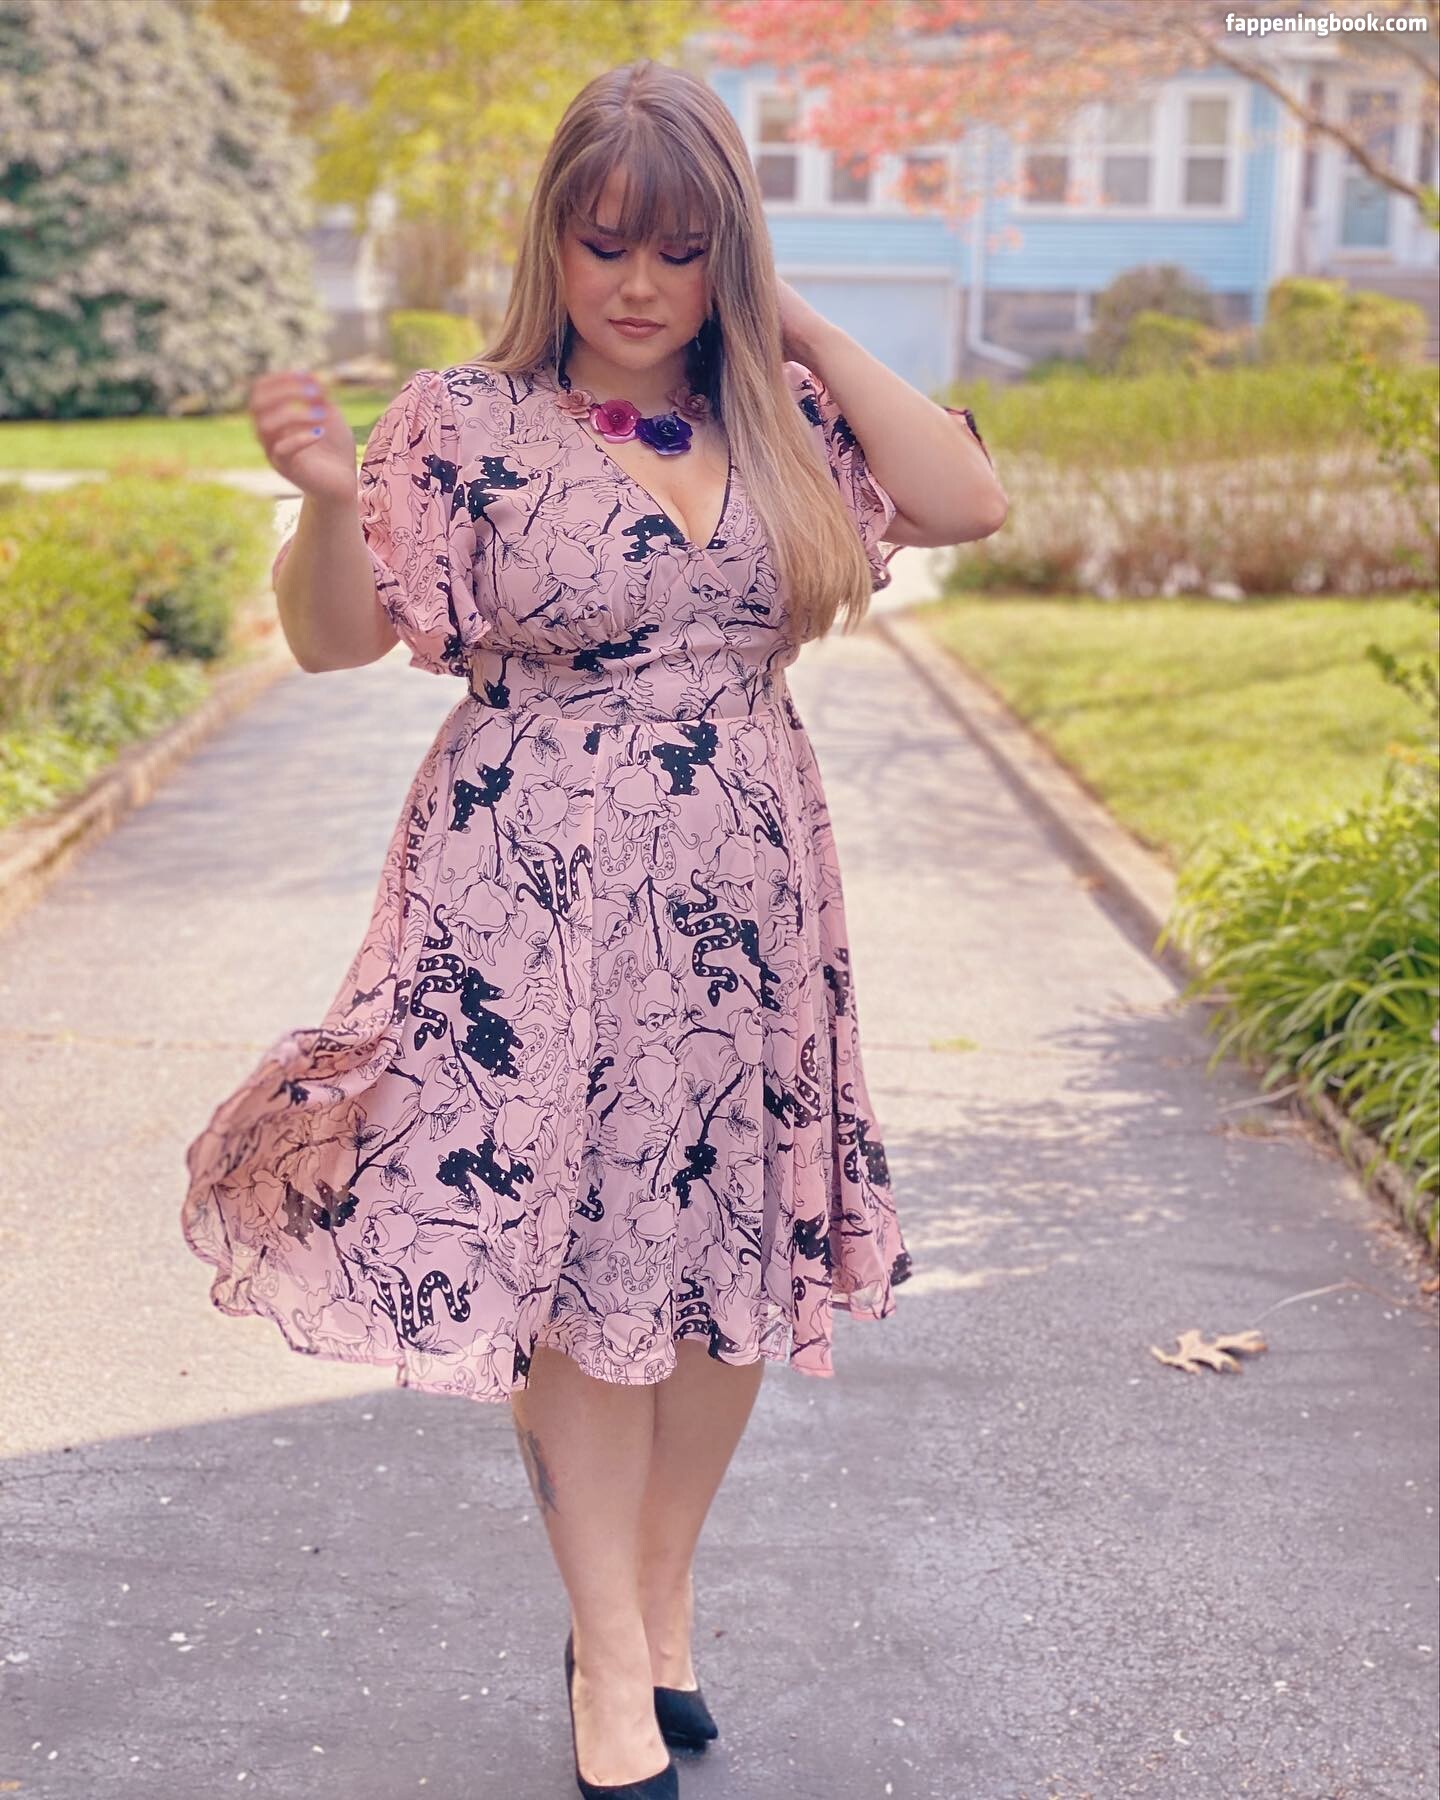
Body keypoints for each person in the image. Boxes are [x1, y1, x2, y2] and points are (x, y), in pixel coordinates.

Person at [181, 57, 1006, 1800]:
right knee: (576, 1273)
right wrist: (328, 498)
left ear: (729, 257)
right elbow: (336, 640)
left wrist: (794, 331)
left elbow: (967, 501)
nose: (637, 284)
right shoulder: (467, 422)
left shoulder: (777, 416)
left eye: (682, 251)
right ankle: (612, 1665)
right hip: (527, 903)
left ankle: (655, 1595)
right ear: (551, 241)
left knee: (722, 1268)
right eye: (605, 242)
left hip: (747, 911)